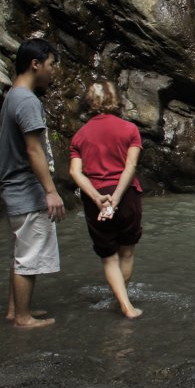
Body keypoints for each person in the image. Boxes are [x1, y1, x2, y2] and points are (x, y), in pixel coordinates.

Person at [0, 38, 66, 329]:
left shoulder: (13, 95)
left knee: (21, 253)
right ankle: (23, 319)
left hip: (15, 188)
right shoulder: (27, 101)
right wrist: (50, 191)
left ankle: (16, 311)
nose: (54, 72)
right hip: (26, 190)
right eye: (52, 65)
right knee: (29, 256)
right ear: (35, 64)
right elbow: (34, 149)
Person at [69, 81, 145, 319]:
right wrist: (116, 199)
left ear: (89, 103)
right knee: (127, 252)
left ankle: (124, 304)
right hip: (126, 196)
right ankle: (123, 303)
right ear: (116, 100)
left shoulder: (79, 136)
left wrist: (98, 198)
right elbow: (130, 166)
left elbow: (75, 172)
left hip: (96, 199)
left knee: (108, 257)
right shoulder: (129, 129)